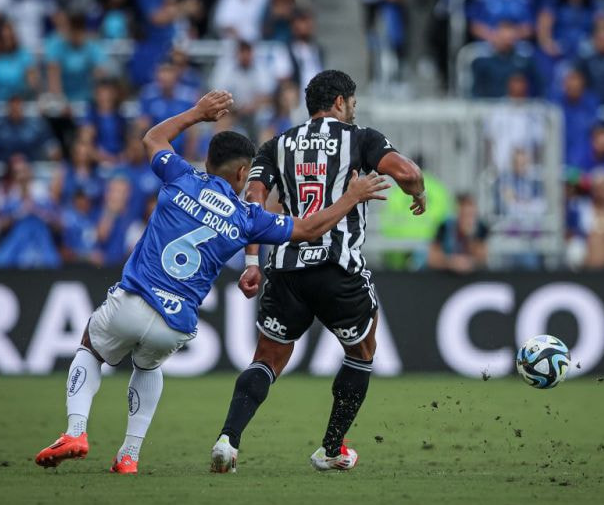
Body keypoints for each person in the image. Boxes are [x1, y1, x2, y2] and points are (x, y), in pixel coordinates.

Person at [33, 90, 389, 474]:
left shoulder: (180, 176)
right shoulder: (247, 217)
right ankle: (128, 456)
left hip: (134, 298)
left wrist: (198, 113)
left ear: (208, 161)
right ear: (243, 174)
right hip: (175, 325)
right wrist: (350, 197)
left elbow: (152, 138)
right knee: (148, 367)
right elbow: (307, 228)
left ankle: (76, 431)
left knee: (91, 347)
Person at [212, 70, 425, 473]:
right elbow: (408, 173)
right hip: (337, 267)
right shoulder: (361, 138)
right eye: (352, 103)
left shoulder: (277, 144)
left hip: (286, 268)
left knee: (267, 358)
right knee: (362, 351)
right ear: (340, 102)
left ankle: (228, 440)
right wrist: (418, 191)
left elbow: (253, 203)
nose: (354, 110)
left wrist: (252, 261)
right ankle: (331, 449)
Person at [428, 193, 489, 272]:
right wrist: (451, 262)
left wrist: (470, 237)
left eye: (471, 215)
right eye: (464, 215)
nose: (468, 220)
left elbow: (482, 258)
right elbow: (432, 259)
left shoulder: (481, 228)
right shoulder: (445, 227)